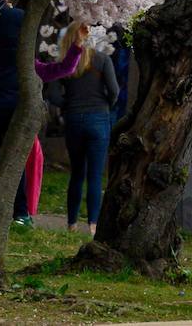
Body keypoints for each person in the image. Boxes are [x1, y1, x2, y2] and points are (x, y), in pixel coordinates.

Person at [0, 0, 83, 224]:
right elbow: (58, 68)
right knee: (14, 157)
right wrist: (77, 47)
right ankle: (18, 211)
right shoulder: (19, 18)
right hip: (14, 97)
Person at [44, 21, 119, 235]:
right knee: (95, 175)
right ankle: (93, 224)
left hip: (74, 119)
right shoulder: (102, 59)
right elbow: (114, 90)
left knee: (77, 173)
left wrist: (68, 105)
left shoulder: (64, 64)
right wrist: (106, 104)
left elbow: (53, 95)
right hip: (98, 119)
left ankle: (72, 223)